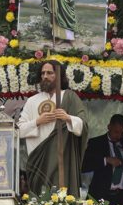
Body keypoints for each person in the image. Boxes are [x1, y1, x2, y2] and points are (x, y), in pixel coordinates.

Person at [18, 61, 88, 196]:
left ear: (59, 75)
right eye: (43, 73)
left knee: (62, 199)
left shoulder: (70, 97)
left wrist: (68, 118)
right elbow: (19, 130)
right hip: (39, 161)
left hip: (63, 160)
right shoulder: (32, 101)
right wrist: (37, 122)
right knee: (40, 202)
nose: (45, 76)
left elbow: (83, 124)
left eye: (50, 73)